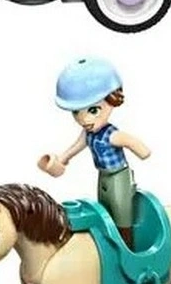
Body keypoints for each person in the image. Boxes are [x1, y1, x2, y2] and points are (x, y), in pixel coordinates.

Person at [37, 58, 151, 249]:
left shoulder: (113, 135)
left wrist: (142, 151)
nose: (84, 120)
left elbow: (136, 144)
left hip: (118, 177)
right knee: (105, 211)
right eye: (76, 112)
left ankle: (127, 248)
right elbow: (76, 146)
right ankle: (110, 244)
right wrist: (62, 159)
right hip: (104, 176)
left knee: (121, 214)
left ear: (112, 101)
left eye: (93, 110)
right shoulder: (88, 133)